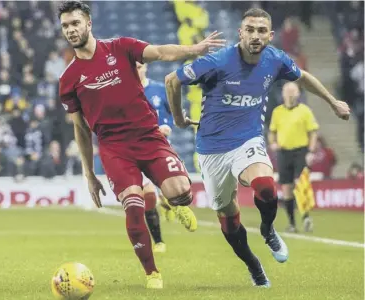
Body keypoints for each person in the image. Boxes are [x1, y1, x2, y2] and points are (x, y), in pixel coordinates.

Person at [164, 8, 350, 288]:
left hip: (247, 140)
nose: (255, 35)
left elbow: (303, 78)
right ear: (240, 33)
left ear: (270, 35)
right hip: (211, 149)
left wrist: (333, 102)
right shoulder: (218, 61)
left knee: (265, 185)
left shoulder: (275, 59)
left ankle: (268, 230)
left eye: (261, 30)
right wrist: (178, 118)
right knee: (228, 215)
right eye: (249, 29)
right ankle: (254, 266)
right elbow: (172, 79)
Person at [57, 1, 225, 289]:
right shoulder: (69, 79)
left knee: (181, 191)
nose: (71, 30)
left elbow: (160, 52)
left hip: (148, 135)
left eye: (75, 23)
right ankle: (152, 273)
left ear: (89, 23)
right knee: (133, 205)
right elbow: (80, 129)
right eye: (66, 26)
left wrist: (193, 51)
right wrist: (89, 174)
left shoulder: (121, 47)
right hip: (114, 148)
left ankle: (175, 203)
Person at [136, 62, 196, 254]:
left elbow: (172, 113)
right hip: (137, 147)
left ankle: (173, 203)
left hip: (160, 144)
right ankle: (159, 241)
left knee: (174, 183)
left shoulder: (158, 90)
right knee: (148, 194)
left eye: (139, 66)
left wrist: (169, 125)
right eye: (133, 67)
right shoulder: (126, 91)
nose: (136, 70)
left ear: (145, 67)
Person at [268, 81, 319, 233]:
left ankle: (306, 217)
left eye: (293, 91)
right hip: (284, 152)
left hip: (301, 151)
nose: (290, 94)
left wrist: (310, 151)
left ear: (298, 93)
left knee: (300, 183)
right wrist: (273, 144)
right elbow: (272, 132)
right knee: (286, 188)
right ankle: (292, 223)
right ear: (283, 94)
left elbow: (313, 132)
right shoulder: (277, 112)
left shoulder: (305, 111)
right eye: (287, 92)